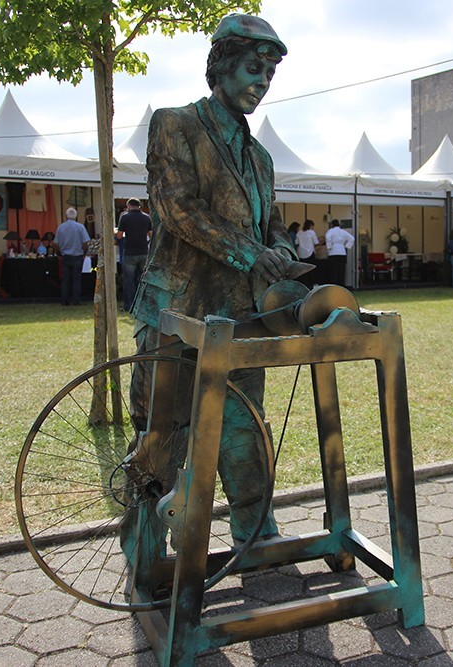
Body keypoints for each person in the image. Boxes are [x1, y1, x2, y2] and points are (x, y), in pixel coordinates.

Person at [127, 13, 299, 551]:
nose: (261, 82)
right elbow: (177, 208)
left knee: (246, 432)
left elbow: (270, 222)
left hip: (240, 318)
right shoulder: (175, 124)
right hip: (176, 310)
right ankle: (148, 548)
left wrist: (282, 252)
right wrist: (251, 254)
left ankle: (255, 540)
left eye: (269, 74)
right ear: (221, 66)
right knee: (163, 436)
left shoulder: (261, 157)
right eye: (253, 68)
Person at [115, 198, 152, 312]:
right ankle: (142, 305)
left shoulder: (125, 217)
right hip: (143, 252)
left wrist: (114, 233)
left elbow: (120, 235)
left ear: (129, 206)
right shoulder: (147, 217)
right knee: (142, 279)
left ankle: (128, 305)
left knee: (128, 280)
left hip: (130, 252)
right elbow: (151, 234)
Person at [55, 207, 90, 306]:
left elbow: (55, 243)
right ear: (76, 216)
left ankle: (65, 300)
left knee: (65, 279)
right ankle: (76, 300)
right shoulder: (80, 227)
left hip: (65, 255)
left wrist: (59, 253)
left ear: (66, 216)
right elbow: (85, 242)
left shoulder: (61, 227)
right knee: (76, 279)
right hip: (77, 255)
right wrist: (84, 253)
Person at [325, 219, 355, 287]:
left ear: (332, 224)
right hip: (342, 252)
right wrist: (347, 246)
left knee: (333, 271)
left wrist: (329, 246)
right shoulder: (343, 231)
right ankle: (341, 286)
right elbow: (352, 238)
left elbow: (327, 237)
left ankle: (334, 287)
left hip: (333, 252)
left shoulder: (331, 231)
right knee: (341, 271)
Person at [294, 219, 322, 286]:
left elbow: (296, 243)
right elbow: (316, 242)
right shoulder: (311, 232)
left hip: (301, 254)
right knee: (311, 270)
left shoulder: (299, 233)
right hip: (310, 253)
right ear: (311, 226)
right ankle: (311, 285)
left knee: (303, 272)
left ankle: (304, 285)